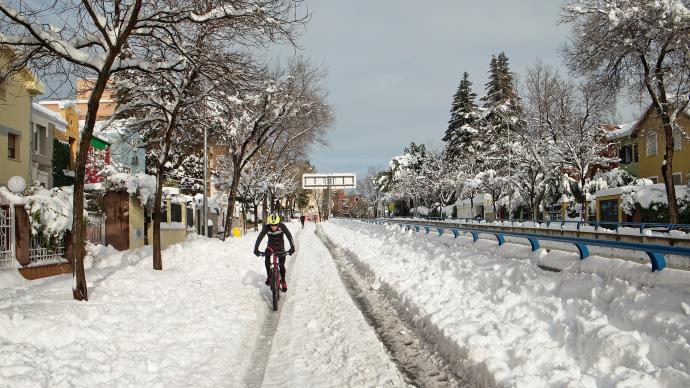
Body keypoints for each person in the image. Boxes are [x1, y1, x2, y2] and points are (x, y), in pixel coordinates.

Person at [254, 214, 295, 292]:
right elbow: (259, 238)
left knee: (281, 265)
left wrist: (292, 247)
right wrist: (256, 249)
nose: (273, 227)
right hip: (270, 247)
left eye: (275, 225)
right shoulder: (266, 227)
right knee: (267, 257)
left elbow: (289, 236)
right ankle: (269, 277)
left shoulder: (282, 226)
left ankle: (283, 281)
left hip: (280, 248)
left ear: (278, 223)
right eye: (272, 225)